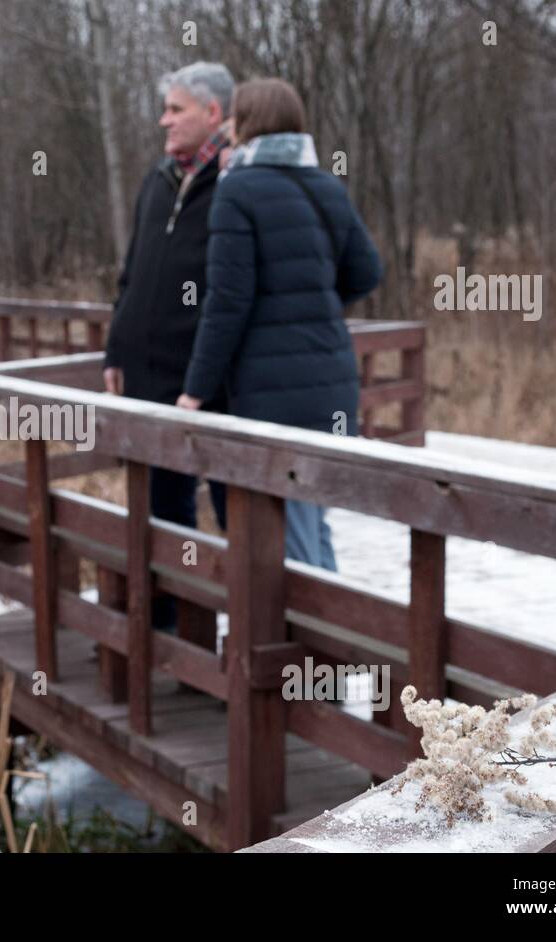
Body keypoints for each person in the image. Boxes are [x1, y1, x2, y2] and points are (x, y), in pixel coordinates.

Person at [176, 78, 383, 570]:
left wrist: (195, 390)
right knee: (311, 517)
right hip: (330, 381)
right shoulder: (326, 185)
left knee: (289, 534)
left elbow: (228, 301)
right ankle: (333, 637)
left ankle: (309, 644)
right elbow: (368, 272)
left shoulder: (237, 191)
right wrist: (311, 304)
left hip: (273, 389)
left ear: (245, 124)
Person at [103, 62, 236, 632]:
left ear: (213, 113)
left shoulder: (235, 178)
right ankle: (165, 630)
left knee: (240, 507)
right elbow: (132, 272)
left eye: (177, 109)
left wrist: (204, 377)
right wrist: (116, 348)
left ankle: (260, 640)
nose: (165, 120)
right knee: (162, 503)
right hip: (147, 374)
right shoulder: (158, 178)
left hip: (211, 376)